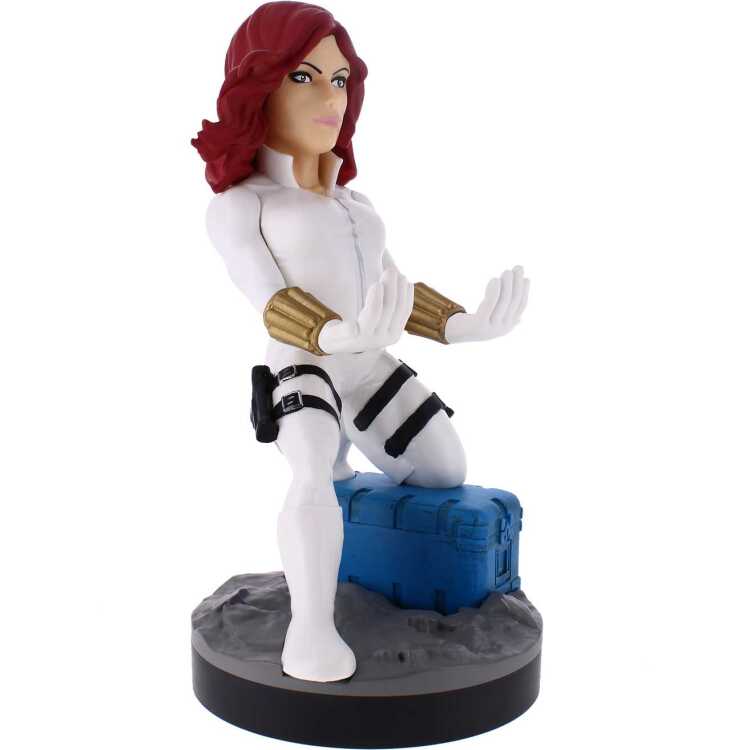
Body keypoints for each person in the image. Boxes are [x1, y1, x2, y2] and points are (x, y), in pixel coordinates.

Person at [193, 1, 529, 683]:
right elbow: (269, 300)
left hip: (368, 365)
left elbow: (390, 288)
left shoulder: (357, 204)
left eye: (340, 80)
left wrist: (462, 324)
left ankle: (349, 470)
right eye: (304, 77)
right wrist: (335, 333)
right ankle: (309, 630)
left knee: (444, 472)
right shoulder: (242, 205)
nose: (330, 98)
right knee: (311, 467)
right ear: (259, 87)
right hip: (305, 365)